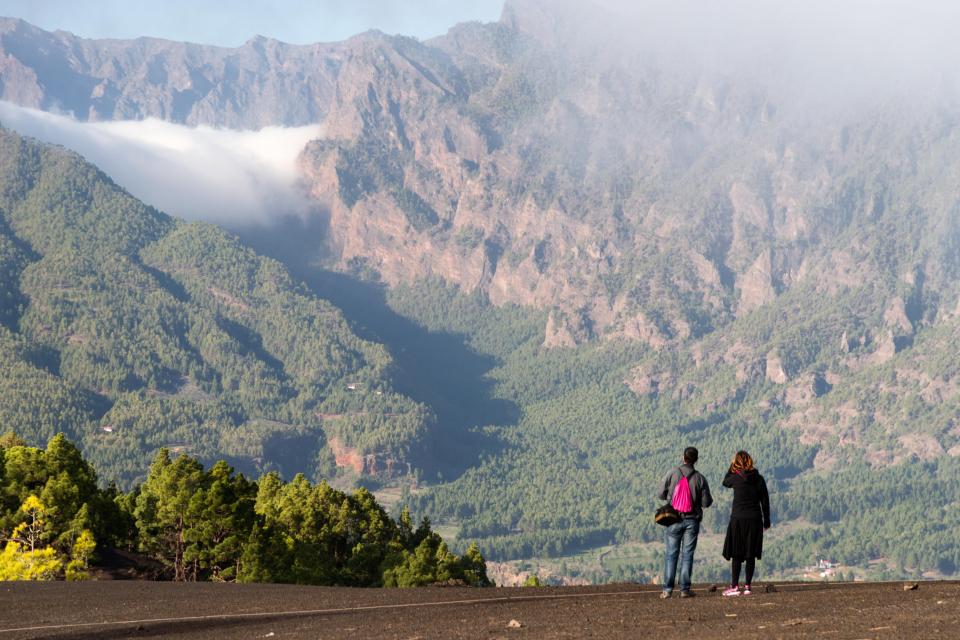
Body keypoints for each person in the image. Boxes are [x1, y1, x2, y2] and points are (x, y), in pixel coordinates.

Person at [657, 446, 713, 598]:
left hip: (673, 519)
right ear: (696, 460)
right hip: (692, 520)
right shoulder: (700, 478)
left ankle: (667, 590)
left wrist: (672, 496)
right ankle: (684, 590)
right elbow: (706, 503)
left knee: (671, 554)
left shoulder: (672, 472)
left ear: (683, 457)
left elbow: (660, 494)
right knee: (687, 554)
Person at [721, 450, 771, 596]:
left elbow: (725, 481)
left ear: (736, 463)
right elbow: (765, 501)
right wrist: (766, 520)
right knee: (751, 554)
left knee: (736, 553)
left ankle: (735, 586)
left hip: (738, 519)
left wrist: (732, 467)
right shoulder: (759, 479)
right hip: (755, 519)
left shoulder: (735, 478)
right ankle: (748, 586)